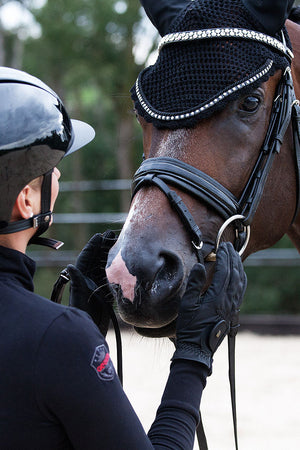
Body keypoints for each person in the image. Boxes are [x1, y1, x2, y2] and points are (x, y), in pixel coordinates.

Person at [0, 66, 247, 450]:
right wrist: (194, 353)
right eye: (52, 169)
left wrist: (84, 326)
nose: (60, 177)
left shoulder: (57, 338)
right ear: (26, 200)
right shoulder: (58, 339)